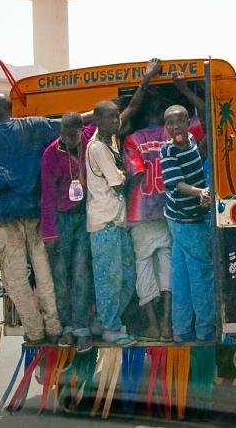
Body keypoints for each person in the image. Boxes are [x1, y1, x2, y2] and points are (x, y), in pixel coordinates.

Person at [122, 72, 205, 341]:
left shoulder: (133, 140)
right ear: (164, 120)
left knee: (143, 270)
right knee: (169, 269)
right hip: (169, 214)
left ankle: (153, 325)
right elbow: (205, 119)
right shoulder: (178, 134)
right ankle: (169, 324)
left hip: (139, 215)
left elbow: (133, 176)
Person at [0, 93, 62, 345]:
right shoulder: (34, 126)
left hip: (8, 215)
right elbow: (70, 121)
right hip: (36, 213)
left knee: (15, 279)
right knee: (44, 273)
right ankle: (54, 326)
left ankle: (35, 331)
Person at [40, 112, 99, 352]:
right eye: (63, 134)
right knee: (61, 276)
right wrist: (49, 234)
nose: (67, 139)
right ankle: (67, 328)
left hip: (84, 215)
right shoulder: (51, 154)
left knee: (81, 273)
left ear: (80, 131)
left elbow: (103, 117)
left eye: (71, 135)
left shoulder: (88, 138)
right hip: (61, 219)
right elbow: (46, 196)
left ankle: (82, 329)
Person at [161, 104, 216, 344]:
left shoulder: (192, 139)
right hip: (185, 220)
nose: (175, 127)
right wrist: (200, 192)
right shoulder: (168, 150)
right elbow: (176, 184)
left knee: (181, 277)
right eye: (170, 124)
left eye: (179, 122)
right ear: (166, 127)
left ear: (187, 123)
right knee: (201, 274)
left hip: (183, 218)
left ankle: (181, 331)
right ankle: (205, 330)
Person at [86, 100, 137, 346]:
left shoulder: (111, 141)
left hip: (117, 222)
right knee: (109, 278)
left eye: (117, 117)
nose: (116, 121)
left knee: (127, 276)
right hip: (104, 223)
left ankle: (106, 319)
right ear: (98, 120)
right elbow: (117, 183)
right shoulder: (97, 147)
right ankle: (110, 328)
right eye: (111, 117)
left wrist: (146, 82)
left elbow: (132, 109)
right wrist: (129, 174)